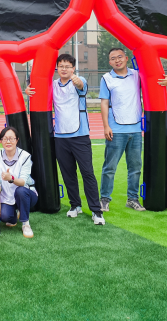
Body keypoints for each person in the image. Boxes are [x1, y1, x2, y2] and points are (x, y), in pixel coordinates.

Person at [99, 48, 167, 213]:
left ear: (126, 58)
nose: (117, 60)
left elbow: (156, 80)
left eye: (119, 57)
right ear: (109, 62)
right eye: (113, 58)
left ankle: (132, 199)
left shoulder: (137, 75)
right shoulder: (107, 78)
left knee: (135, 168)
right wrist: (106, 126)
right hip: (116, 130)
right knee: (110, 168)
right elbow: (104, 102)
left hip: (136, 129)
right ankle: (104, 199)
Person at [46, 54, 104, 225]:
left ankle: (96, 210)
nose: (64, 69)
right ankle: (75, 205)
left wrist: (76, 80)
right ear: (57, 68)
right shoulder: (53, 84)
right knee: (68, 173)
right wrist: (28, 91)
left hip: (80, 135)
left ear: (73, 68)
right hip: (60, 136)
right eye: (61, 66)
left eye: (68, 66)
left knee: (87, 173)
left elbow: (80, 85)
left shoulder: (79, 81)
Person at [0, 127, 38, 238]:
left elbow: (23, 182)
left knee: (20, 191)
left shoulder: (25, 156)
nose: (8, 141)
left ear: (17, 140)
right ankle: (15, 214)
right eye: (5, 138)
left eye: (11, 138)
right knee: (5, 217)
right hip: (8, 196)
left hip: (27, 194)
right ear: (0, 141)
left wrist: (11, 178)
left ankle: (26, 223)